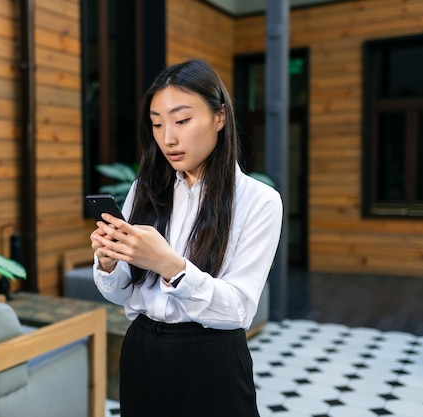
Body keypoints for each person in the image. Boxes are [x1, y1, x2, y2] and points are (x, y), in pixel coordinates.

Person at [89, 58, 283, 416]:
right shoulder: (144, 190)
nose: (168, 138)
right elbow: (122, 293)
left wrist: (169, 265)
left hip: (212, 359)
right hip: (142, 351)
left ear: (219, 117)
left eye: (181, 121)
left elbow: (239, 309)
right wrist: (109, 263)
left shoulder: (259, 200)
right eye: (157, 124)